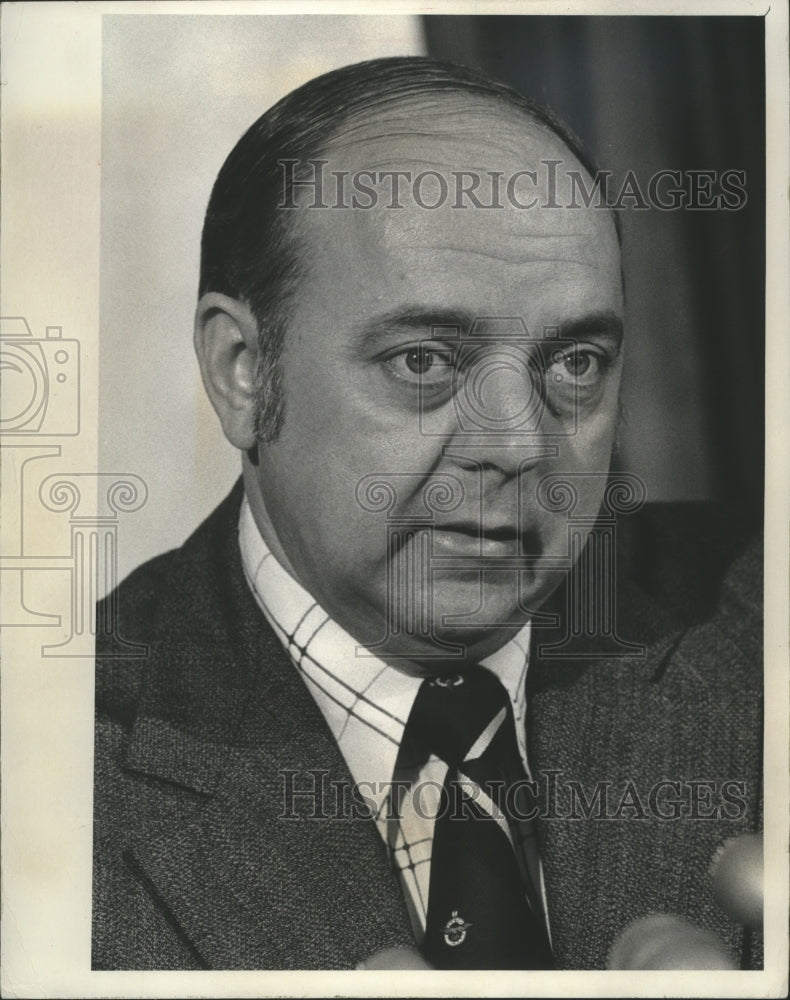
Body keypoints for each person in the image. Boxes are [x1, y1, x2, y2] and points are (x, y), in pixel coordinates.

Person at [92, 56, 762, 971]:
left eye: (573, 364)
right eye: (424, 361)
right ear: (243, 371)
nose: (519, 446)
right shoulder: (55, 768)